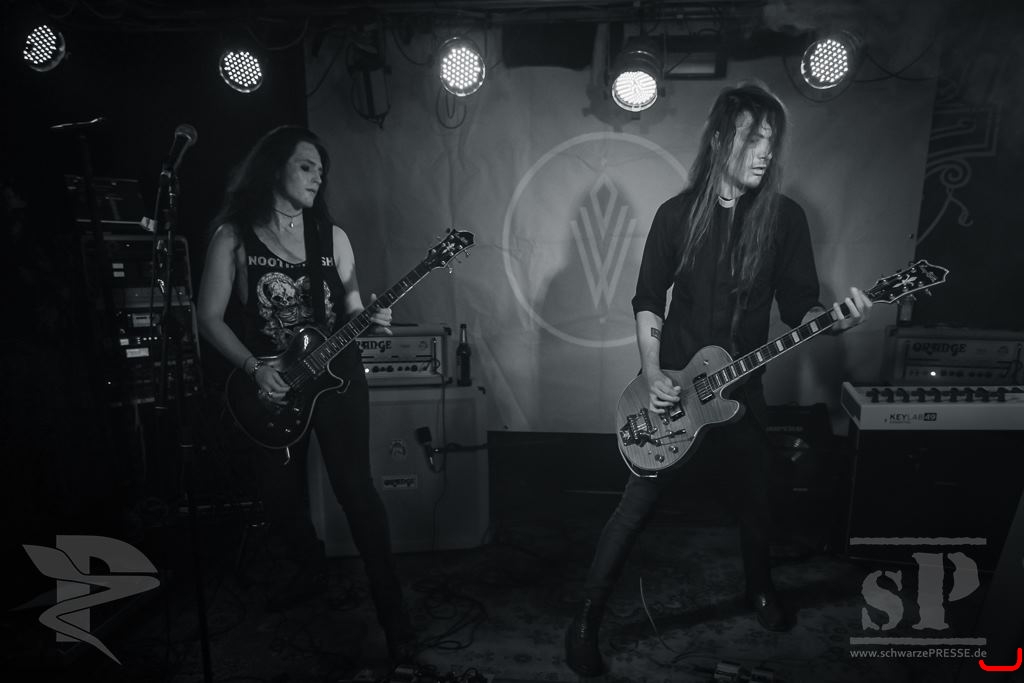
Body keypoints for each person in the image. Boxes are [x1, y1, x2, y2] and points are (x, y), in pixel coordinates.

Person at [564, 82, 873, 676]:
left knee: (758, 502)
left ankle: (761, 589)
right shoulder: (676, 215)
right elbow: (648, 299)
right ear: (720, 140)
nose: (765, 152)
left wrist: (833, 321)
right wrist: (653, 373)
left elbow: (801, 306)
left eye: (771, 141)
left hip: (741, 393)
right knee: (633, 509)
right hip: (675, 393)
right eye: (754, 138)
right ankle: (585, 619)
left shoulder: (784, 219)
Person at [196, 125, 416, 663]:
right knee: (279, 500)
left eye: (321, 169)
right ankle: (311, 569)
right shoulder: (233, 236)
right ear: (275, 168)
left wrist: (374, 318)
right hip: (272, 386)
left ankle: (395, 618)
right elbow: (208, 317)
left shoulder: (331, 237)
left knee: (357, 492)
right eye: (306, 166)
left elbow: (352, 307)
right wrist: (253, 368)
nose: (318, 177)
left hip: (338, 378)